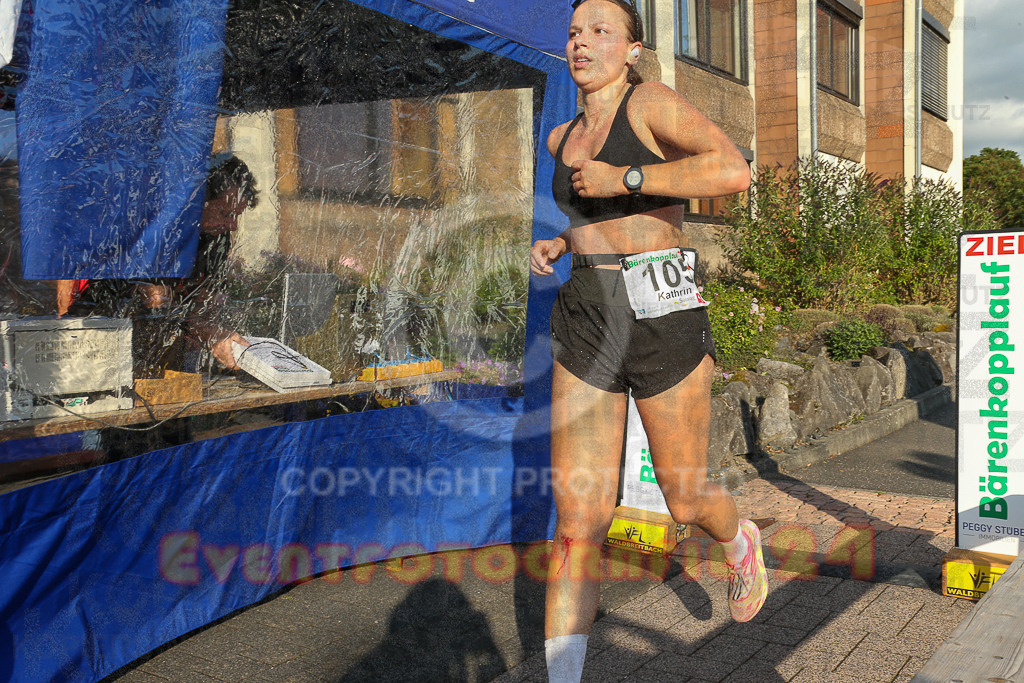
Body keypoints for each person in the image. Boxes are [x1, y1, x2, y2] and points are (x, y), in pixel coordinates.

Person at [529, 1, 766, 680]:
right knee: (578, 520)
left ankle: (738, 536)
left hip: (660, 310)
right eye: (575, 31)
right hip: (586, 316)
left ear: (630, 48)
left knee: (684, 497)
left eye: (600, 31)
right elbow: (592, 217)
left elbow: (731, 171)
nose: (582, 42)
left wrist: (626, 177)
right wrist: (562, 239)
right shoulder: (560, 137)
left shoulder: (651, 103)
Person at [64, 153, 256, 373]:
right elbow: (157, 303)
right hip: (100, 338)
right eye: (224, 213)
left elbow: (204, 302)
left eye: (237, 215)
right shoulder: (157, 230)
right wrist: (213, 334)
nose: (232, 225)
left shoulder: (216, 238)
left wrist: (219, 334)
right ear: (195, 202)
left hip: (156, 347)